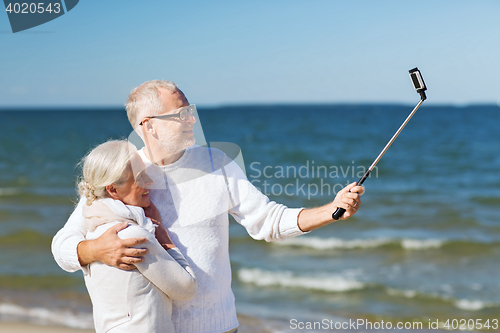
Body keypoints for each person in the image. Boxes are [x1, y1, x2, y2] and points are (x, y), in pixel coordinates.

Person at [52, 80, 364, 333]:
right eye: (180, 114)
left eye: (190, 110)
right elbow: (62, 244)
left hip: (220, 326)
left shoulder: (217, 163)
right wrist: (93, 251)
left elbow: (268, 221)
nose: (191, 119)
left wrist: (332, 210)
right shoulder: (122, 175)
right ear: (148, 126)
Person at [76, 139, 196, 332]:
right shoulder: (133, 236)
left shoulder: (94, 231)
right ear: (113, 189)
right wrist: (163, 236)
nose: (149, 181)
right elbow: (186, 288)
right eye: (140, 177)